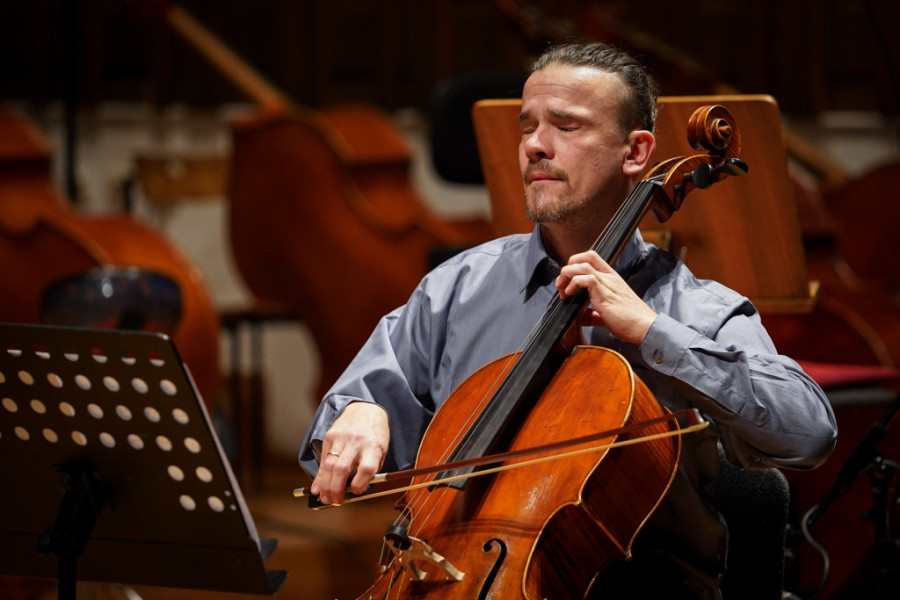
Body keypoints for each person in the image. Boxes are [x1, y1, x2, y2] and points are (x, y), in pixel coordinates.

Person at [299, 41, 837, 598]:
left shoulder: (694, 308)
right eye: (526, 126)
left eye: (566, 126)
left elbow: (809, 432)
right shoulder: (457, 287)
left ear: (635, 154)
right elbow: (343, 419)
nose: (534, 145)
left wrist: (653, 332)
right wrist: (361, 412)